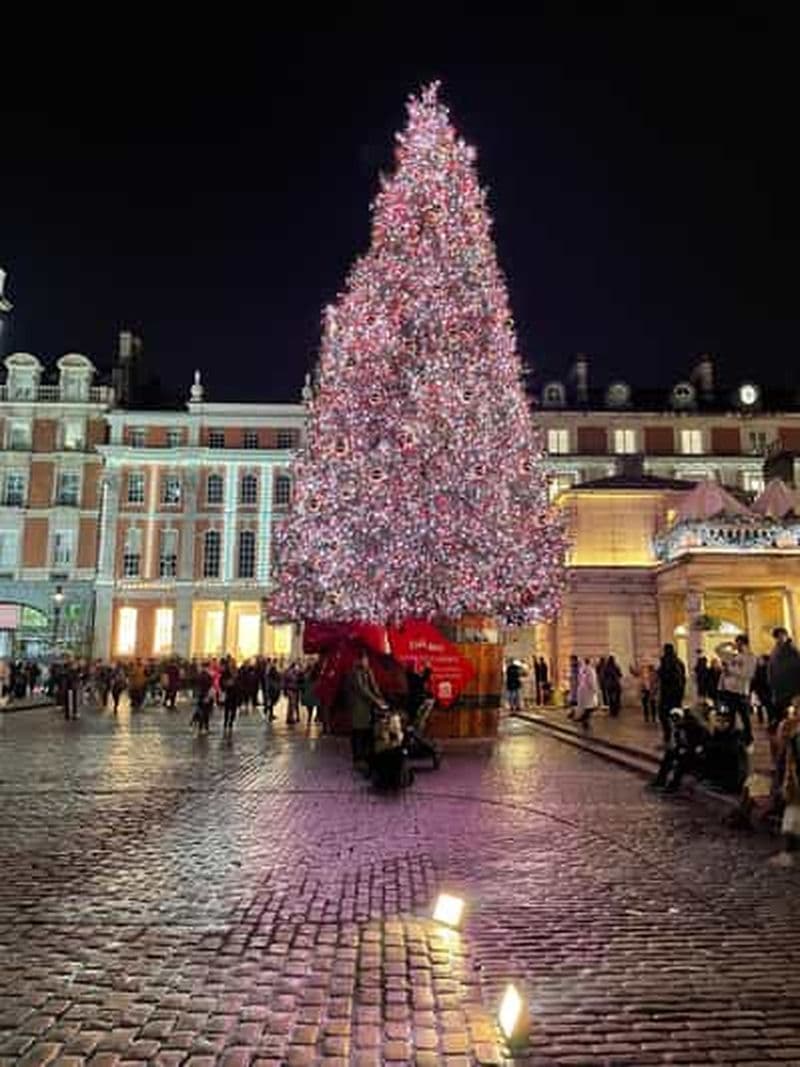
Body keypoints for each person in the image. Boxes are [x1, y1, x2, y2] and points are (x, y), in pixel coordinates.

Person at [344, 649, 387, 768]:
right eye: (365, 659)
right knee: (358, 733)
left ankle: (366, 757)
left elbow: (374, 687)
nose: (367, 662)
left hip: (367, 709)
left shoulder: (367, 672)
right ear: (359, 660)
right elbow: (362, 689)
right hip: (358, 708)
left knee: (366, 732)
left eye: (367, 660)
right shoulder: (354, 673)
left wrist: (381, 698)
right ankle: (357, 759)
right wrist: (376, 701)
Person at [717, 634, 757, 746]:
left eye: (740, 643)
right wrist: (728, 644)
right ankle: (730, 740)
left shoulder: (750, 657)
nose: (738, 646)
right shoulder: (733, 656)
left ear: (745, 644)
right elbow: (718, 649)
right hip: (728, 691)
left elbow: (748, 674)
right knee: (730, 716)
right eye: (737, 643)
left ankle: (749, 739)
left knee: (744, 717)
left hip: (741, 692)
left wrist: (731, 670)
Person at [768, 627, 800, 729]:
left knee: (791, 717)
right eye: (777, 636)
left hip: (792, 690)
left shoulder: (793, 650)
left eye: (781, 635)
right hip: (778, 690)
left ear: (786, 635)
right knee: (781, 715)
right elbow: (770, 668)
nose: (779, 638)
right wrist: (771, 683)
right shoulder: (775, 650)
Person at [656, 644, 686, 744]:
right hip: (676, 695)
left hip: (668, 694)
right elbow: (683, 679)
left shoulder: (667, 662)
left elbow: (663, 676)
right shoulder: (679, 662)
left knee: (664, 716)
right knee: (675, 716)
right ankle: (677, 736)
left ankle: (669, 736)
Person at [576, 657, 599, 728]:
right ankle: (583, 718)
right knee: (590, 707)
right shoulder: (591, 670)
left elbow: (579, 679)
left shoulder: (582, 669)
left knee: (585, 706)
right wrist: (595, 689)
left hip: (582, 689)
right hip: (589, 690)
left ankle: (585, 722)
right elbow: (591, 681)